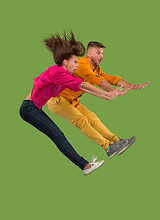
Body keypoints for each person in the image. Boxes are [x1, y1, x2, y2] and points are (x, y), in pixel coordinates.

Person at [19, 31, 129, 176]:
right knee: (57, 134)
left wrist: (106, 96)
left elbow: (81, 87)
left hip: (34, 109)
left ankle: (88, 163)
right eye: (75, 62)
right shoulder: (57, 72)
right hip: (28, 108)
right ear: (66, 62)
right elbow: (83, 85)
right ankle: (85, 165)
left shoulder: (63, 76)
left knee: (59, 133)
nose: (77, 65)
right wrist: (107, 94)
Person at [47, 41, 145, 157]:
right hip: (57, 100)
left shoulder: (95, 68)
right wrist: (112, 92)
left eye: (102, 53)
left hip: (72, 101)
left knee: (92, 118)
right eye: (98, 53)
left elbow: (110, 79)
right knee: (81, 121)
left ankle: (117, 141)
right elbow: (100, 81)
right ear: (89, 54)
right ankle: (108, 147)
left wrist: (132, 86)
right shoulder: (82, 65)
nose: (101, 56)